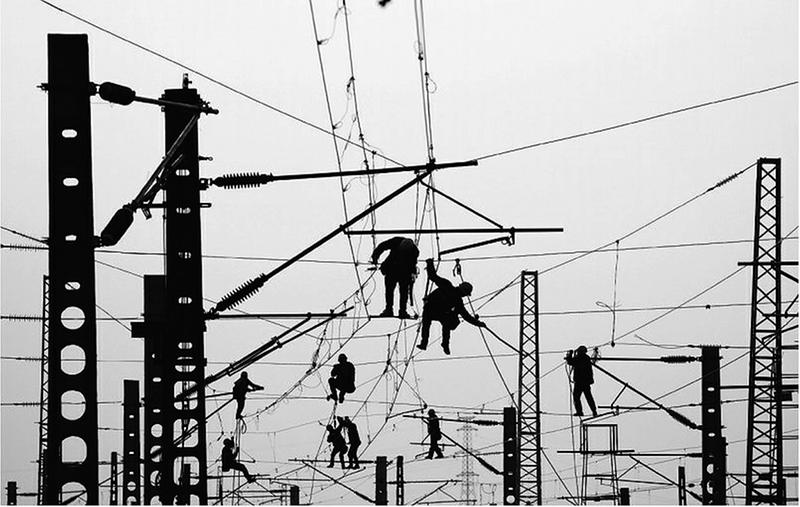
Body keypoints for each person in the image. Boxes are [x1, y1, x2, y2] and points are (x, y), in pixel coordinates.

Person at [418, 258, 486, 355]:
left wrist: (430, 264)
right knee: (445, 323)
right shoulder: (457, 300)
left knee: (429, 322)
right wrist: (478, 323)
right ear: (464, 293)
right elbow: (466, 317)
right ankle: (443, 344)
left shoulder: (448, 286)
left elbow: (433, 276)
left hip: (432, 310)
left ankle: (425, 343)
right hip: (434, 309)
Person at [371, 236, 420, 319]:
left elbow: (412, 264)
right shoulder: (396, 241)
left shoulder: (414, 251)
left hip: (404, 272)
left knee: (403, 292)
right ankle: (389, 309)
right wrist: (375, 256)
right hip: (392, 269)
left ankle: (402, 311)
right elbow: (382, 246)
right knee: (390, 290)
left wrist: (412, 275)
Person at [565, 346, 598, 417]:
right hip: (586, 382)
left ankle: (580, 411)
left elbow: (570, 362)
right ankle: (594, 411)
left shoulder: (579, 358)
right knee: (588, 397)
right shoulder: (586, 358)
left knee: (577, 397)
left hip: (579, 382)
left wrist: (569, 355)